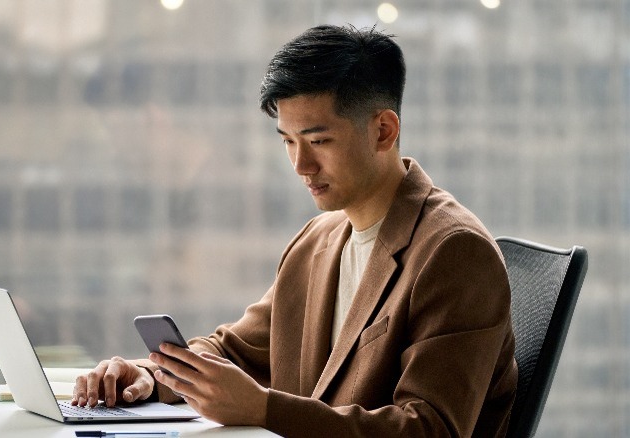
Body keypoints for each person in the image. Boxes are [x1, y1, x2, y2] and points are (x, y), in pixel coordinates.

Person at [73, 24, 517, 437]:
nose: (301, 166)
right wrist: (150, 376)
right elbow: (235, 350)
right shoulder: (318, 240)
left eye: (318, 141)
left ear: (383, 130)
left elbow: (429, 428)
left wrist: (266, 410)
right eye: (288, 141)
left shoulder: (454, 251)